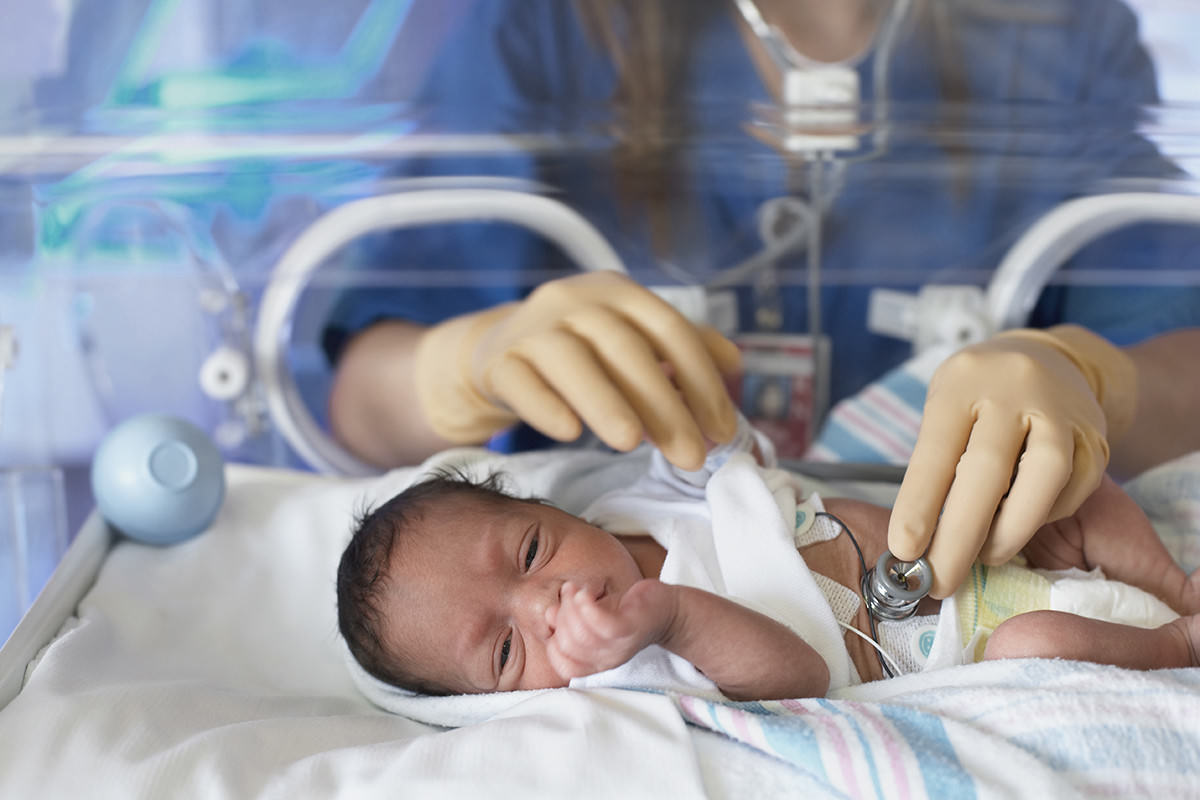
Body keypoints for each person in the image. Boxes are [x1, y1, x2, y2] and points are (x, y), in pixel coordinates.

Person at [325, 0, 1200, 600]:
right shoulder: (552, 28)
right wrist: (464, 367)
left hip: (952, 574)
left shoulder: (1054, 29)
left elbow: (1179, 356)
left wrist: (1088, 373)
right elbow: (355, 406)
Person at [336, 425, 1200, 702]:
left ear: (550, 508)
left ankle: (1174, 584)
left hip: (975, 550)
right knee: (1033, 641)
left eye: (529, 549)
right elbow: (795, 674)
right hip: (980, 636)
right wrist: (667, 616)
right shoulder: (626, 679)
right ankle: (1179, 644)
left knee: (1066, 490)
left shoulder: (633, 500)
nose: (548, 600)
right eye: (505, 650)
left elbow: (715, 435)